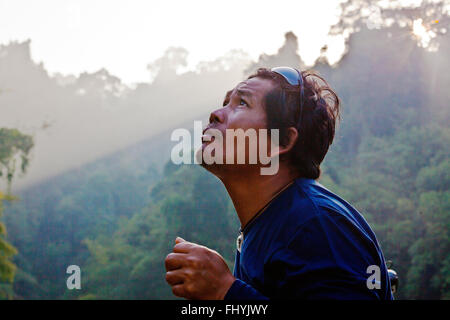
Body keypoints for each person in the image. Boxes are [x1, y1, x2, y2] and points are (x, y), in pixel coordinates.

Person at [164, 66, 393, 300]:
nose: (216, 113)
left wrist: (225, 291)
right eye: (226, 102)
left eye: (242, 102)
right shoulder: (269, 224)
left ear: (281, 140)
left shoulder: (317, 225)